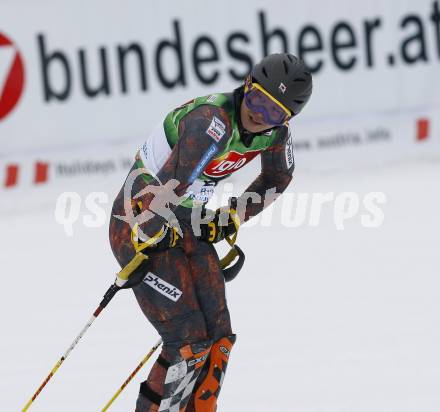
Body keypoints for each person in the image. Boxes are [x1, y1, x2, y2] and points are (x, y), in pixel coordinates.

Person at [109, 53, 313, 411]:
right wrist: (159, 237)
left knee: (218, 337)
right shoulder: (211, 123)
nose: (258, 116)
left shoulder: (274, 134)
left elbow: (278, 177)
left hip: (184, 221)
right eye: (257, 101)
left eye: (273, 113)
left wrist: (234, 214)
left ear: (287, 119)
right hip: (138, 220)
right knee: (187, 340)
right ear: (247, 85)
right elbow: (167, 190)